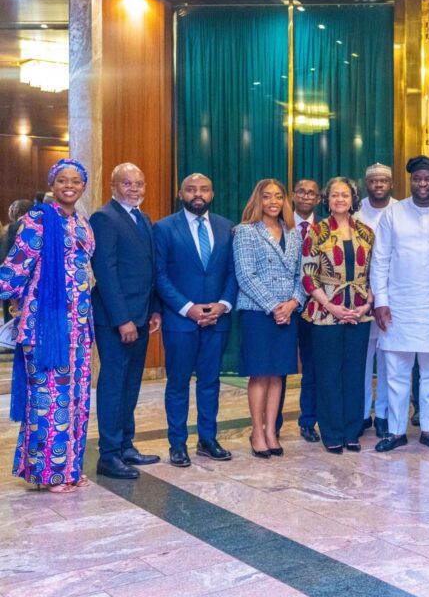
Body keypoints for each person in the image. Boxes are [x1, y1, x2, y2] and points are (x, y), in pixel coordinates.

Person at [0, 159, 95, 493]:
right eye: (62, 180)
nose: (69, 186)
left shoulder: (83, 222)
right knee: (48, 400)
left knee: (77, 400)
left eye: (76, 181)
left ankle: (69, 468)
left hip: (81, 328)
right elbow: (14, 267)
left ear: (83, 186)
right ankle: (49, 474)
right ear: (53, 185)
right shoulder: (38, 220)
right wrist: (11, 297)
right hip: (45, 328)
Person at [371, 155, 429, 452]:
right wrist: (381, 301)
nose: (423, 184)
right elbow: (380, 260)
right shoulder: (393, 214)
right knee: (397, 371)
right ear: (411, 181)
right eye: (418, 179)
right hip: (398, 305)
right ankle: (396, 432)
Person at [153, 173, 237, 468]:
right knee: (177, 383)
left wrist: (223, 305)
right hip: (180, 321)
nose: (197, 194)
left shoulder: (228, 228)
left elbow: (232, 273)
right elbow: (159, 275)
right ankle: (177, 443)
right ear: (180, 193)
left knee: (210, 382)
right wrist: (187, 308)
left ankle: (207, 439)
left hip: (217, 320)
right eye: (191, 189)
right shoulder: (163, 228)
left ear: (212, 194)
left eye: (203, 189)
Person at [90, 163, 162, 480]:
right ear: (113, 185)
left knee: (131, 384)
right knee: (114, 384)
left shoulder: (143, 219)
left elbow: (150, 269)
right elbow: (105, 273)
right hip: (116, 320)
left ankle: (126, 446)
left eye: (139, 183)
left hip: (143, 316)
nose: (134, 188)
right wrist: (123, 320)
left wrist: (155, 309)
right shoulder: (104, 218)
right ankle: (108, 455)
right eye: (127, 183)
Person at [302, 177, 375, 453]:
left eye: (345, 195)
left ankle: (351, 431)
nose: (340, 199)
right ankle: (331, 432)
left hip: (359, 311)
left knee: (355, 372)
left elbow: (375, 273)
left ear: (353, 199)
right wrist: (331, 306)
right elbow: (308, 276)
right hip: (324, 313)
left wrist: (366, 305)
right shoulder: (317, 232)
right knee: (329, 373)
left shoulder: (367, 233)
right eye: (335, 195)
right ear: (327, 200)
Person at [233, 179, 304, 458]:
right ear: (258, 200)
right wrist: (275, 306)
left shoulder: (294, 233)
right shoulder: (246, 232)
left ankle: (272, 431)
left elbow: (302, 273)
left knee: (278, 375)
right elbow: (245, 275)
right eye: (267, 197)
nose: (273, 201)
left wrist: (294, 302)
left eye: (278, 196)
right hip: (259, 313)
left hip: (289, 313)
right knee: (260, 374)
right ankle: (257, 432)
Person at [354, 163, 397, 438]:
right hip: (360, 300)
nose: (379, 185)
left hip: (393, 298)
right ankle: (361, 414)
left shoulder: (401, 211)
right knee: (362, 360)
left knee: (388, 360)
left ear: (390, 184)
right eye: (374, 181)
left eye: (384, 181)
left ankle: (383, 414)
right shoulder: (356, 215)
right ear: (367, 184)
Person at [285, 178, 321, 443]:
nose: (306, 197)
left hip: (316, 307)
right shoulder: (280, 224)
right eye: (302, 192)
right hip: (282, 306)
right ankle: (271, 424)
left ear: (319, 198)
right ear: (293, 195)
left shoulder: (327, 228)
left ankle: (308, 421)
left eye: (312, 193)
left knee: (312, 366)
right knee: (278, 368)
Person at [1, 199, 31, 322]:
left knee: (13, 325)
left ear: (15, 210)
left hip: (15, 290)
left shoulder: (15, 227)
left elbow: (6, 261)